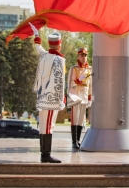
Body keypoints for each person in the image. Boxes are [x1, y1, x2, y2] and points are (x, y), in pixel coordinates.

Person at [30, 23, 66, 163]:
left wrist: (37, 36)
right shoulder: (59, 60)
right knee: (49, 126)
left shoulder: (44, 55)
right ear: (59, 45)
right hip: (51, 99)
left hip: (42, 97)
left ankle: (44, 154)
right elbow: (59, 82)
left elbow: (38, 48)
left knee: (44, 126)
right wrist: (61, 98)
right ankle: (46, 155)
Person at [67, 47, 92, 149]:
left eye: (85, 55)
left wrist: (90, 96)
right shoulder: (74, 68)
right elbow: (69, 83)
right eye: (82, 55)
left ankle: (78, 140)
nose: (84, 57)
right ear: (78, 56)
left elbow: (91, 84)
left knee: (81, 119)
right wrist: (77, 81)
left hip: (85, 96)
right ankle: (74, 141)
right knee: (75, 119)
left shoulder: (89, 69)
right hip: (76, 96)